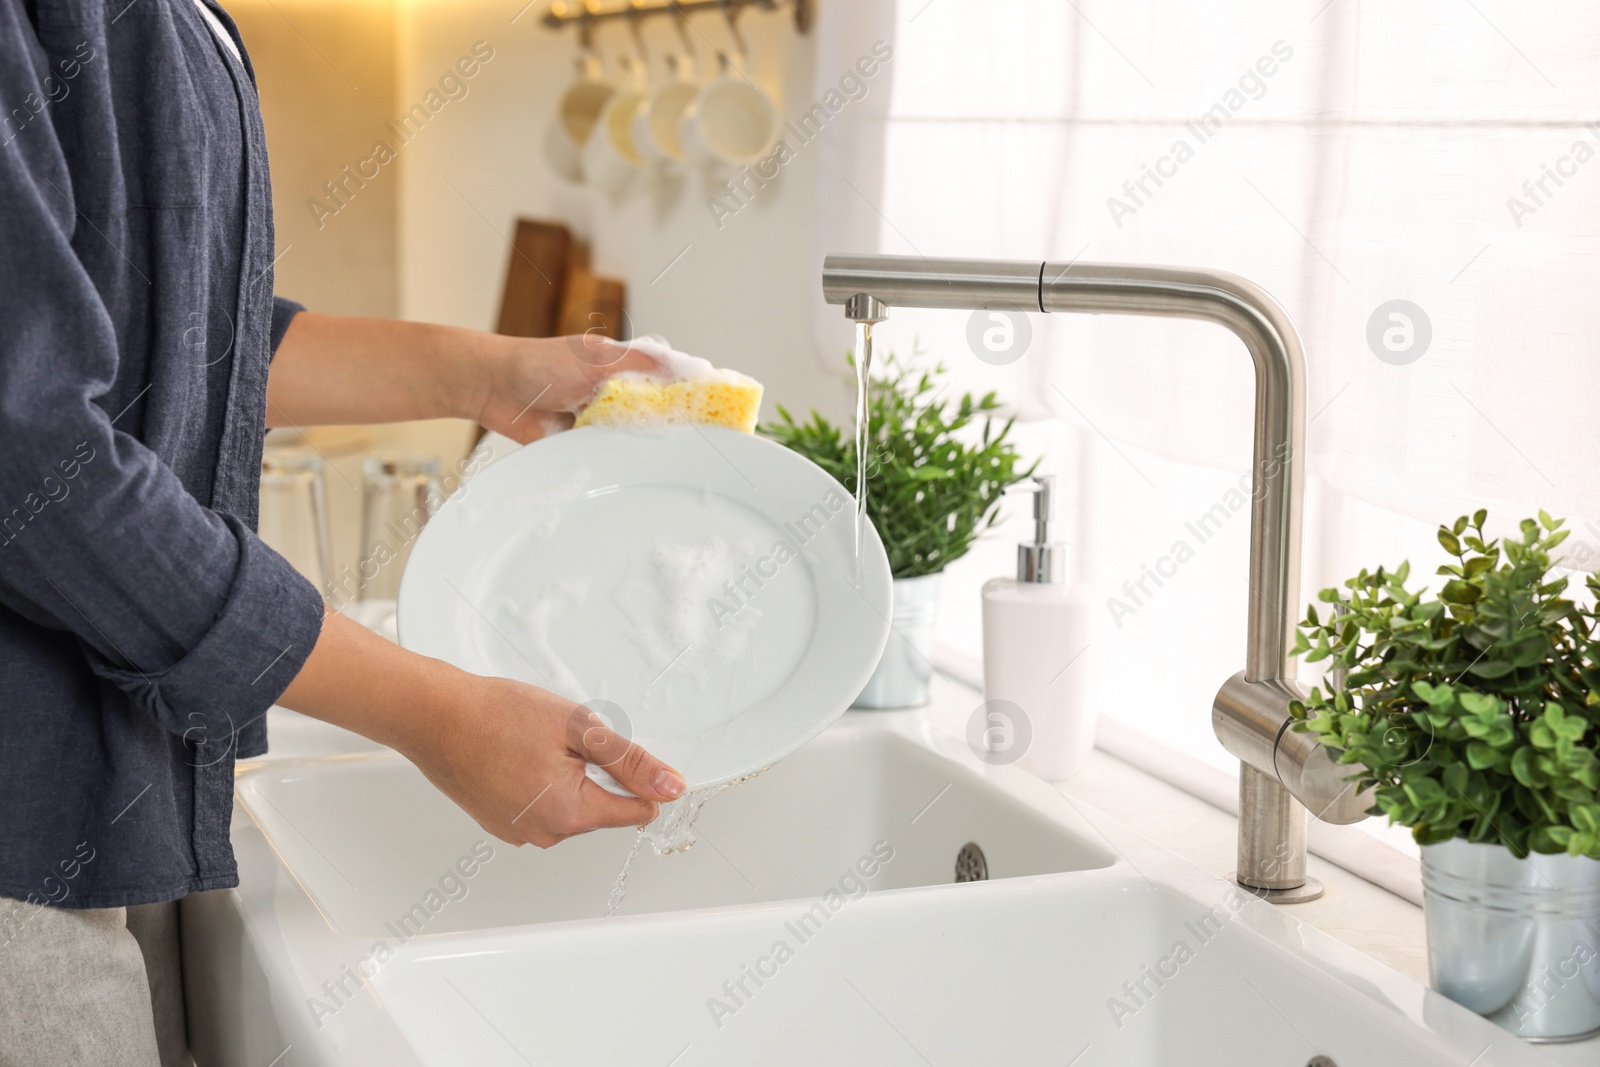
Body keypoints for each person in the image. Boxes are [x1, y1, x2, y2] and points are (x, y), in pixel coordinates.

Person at [0, 2, 682, 1063]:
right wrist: (433, 711)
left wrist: (483, 371)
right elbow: (34, 455)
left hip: (114, 771)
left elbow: (174, 338)